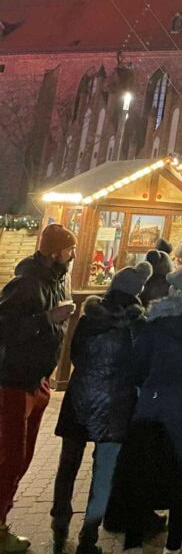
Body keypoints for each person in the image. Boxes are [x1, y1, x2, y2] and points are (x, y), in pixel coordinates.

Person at [110, 265, 182, 554]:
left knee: (143, 474)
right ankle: (173, 546)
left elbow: (137, 367)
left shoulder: (156, 324)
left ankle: (134, 543)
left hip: (154, 407)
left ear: (176, 291)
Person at [51, 263, 151, 554]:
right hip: (115, 404)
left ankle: (59, 520)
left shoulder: (89, 317)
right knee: (103, 470)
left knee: (68, 463)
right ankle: (89, 536)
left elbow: (74, 355)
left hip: (79, 398)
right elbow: (139, 366)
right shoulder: (136, 323)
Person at [0, 223, 77, 554]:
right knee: (9, 458)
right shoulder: (27, 283)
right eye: (69, 249)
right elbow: (5, 326)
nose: (73, 255)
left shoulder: (55, 280)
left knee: (24, 456)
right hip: (15, 382)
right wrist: (48, 318)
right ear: (56, 252)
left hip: (37, 379)